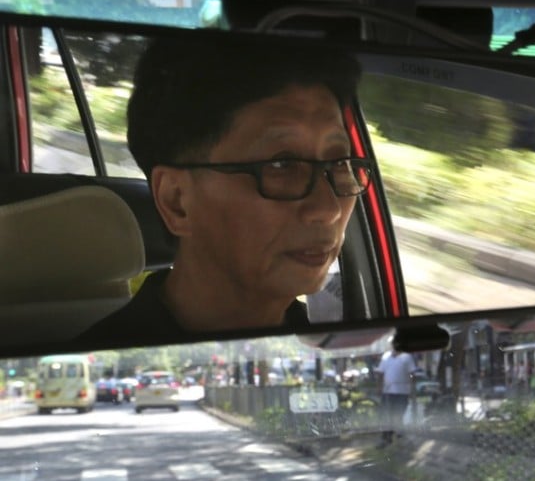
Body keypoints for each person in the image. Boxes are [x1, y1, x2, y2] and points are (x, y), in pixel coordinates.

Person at [78, 36, 366, 343]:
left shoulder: (335, 349)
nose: (329, 209)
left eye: (338, 163)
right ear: (177, 201)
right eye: (281, 166)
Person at [376, 340, 415, 446]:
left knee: (399, 414)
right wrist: (379, 387)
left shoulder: (407, 357)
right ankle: (386, 438)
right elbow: (380, 373)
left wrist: (411, 389)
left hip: (402, 392)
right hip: (388, 391)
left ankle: (399, 435)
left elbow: (412, 374)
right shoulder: (386, 356)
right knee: (387, 415)